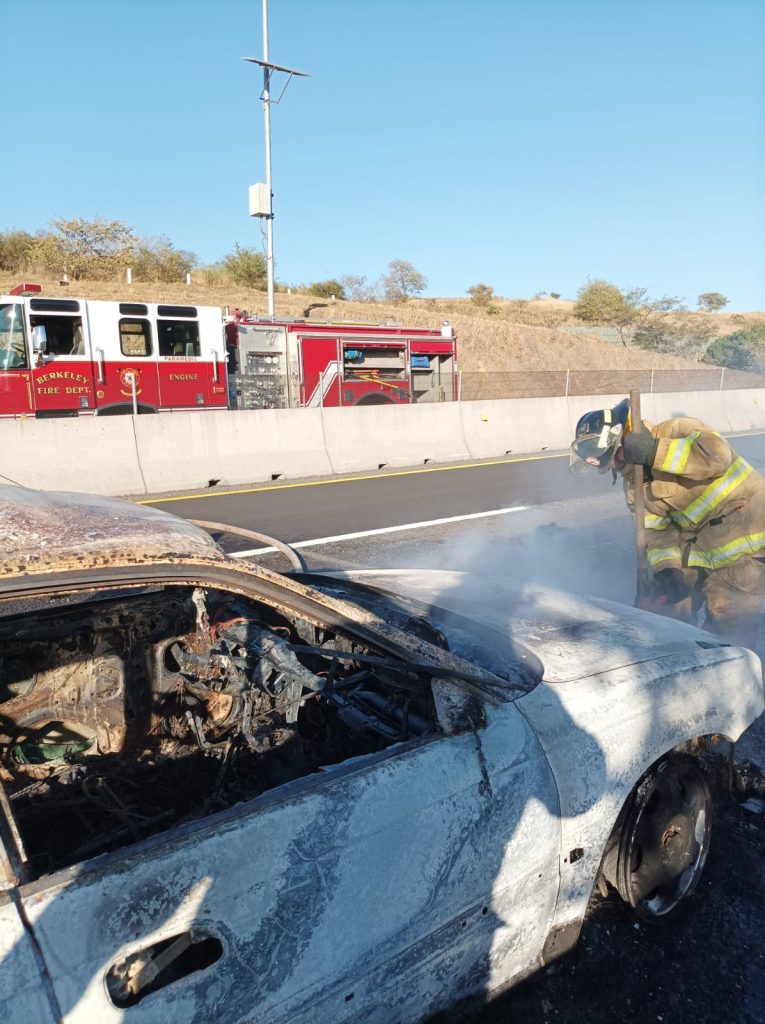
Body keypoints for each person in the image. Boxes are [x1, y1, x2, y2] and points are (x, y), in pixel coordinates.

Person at [570, 397, 765, 650]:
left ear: (619, 439)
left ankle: (734, 665)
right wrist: (668, 572)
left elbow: (717, 458)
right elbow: (657, 532)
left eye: (610, 458)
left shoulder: (676, 430)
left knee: (726, 620)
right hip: (704, 547)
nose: (613, 467)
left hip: (749, 536)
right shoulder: (634, 485)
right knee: (666, 607)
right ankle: (680, 657)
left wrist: (653, 452)